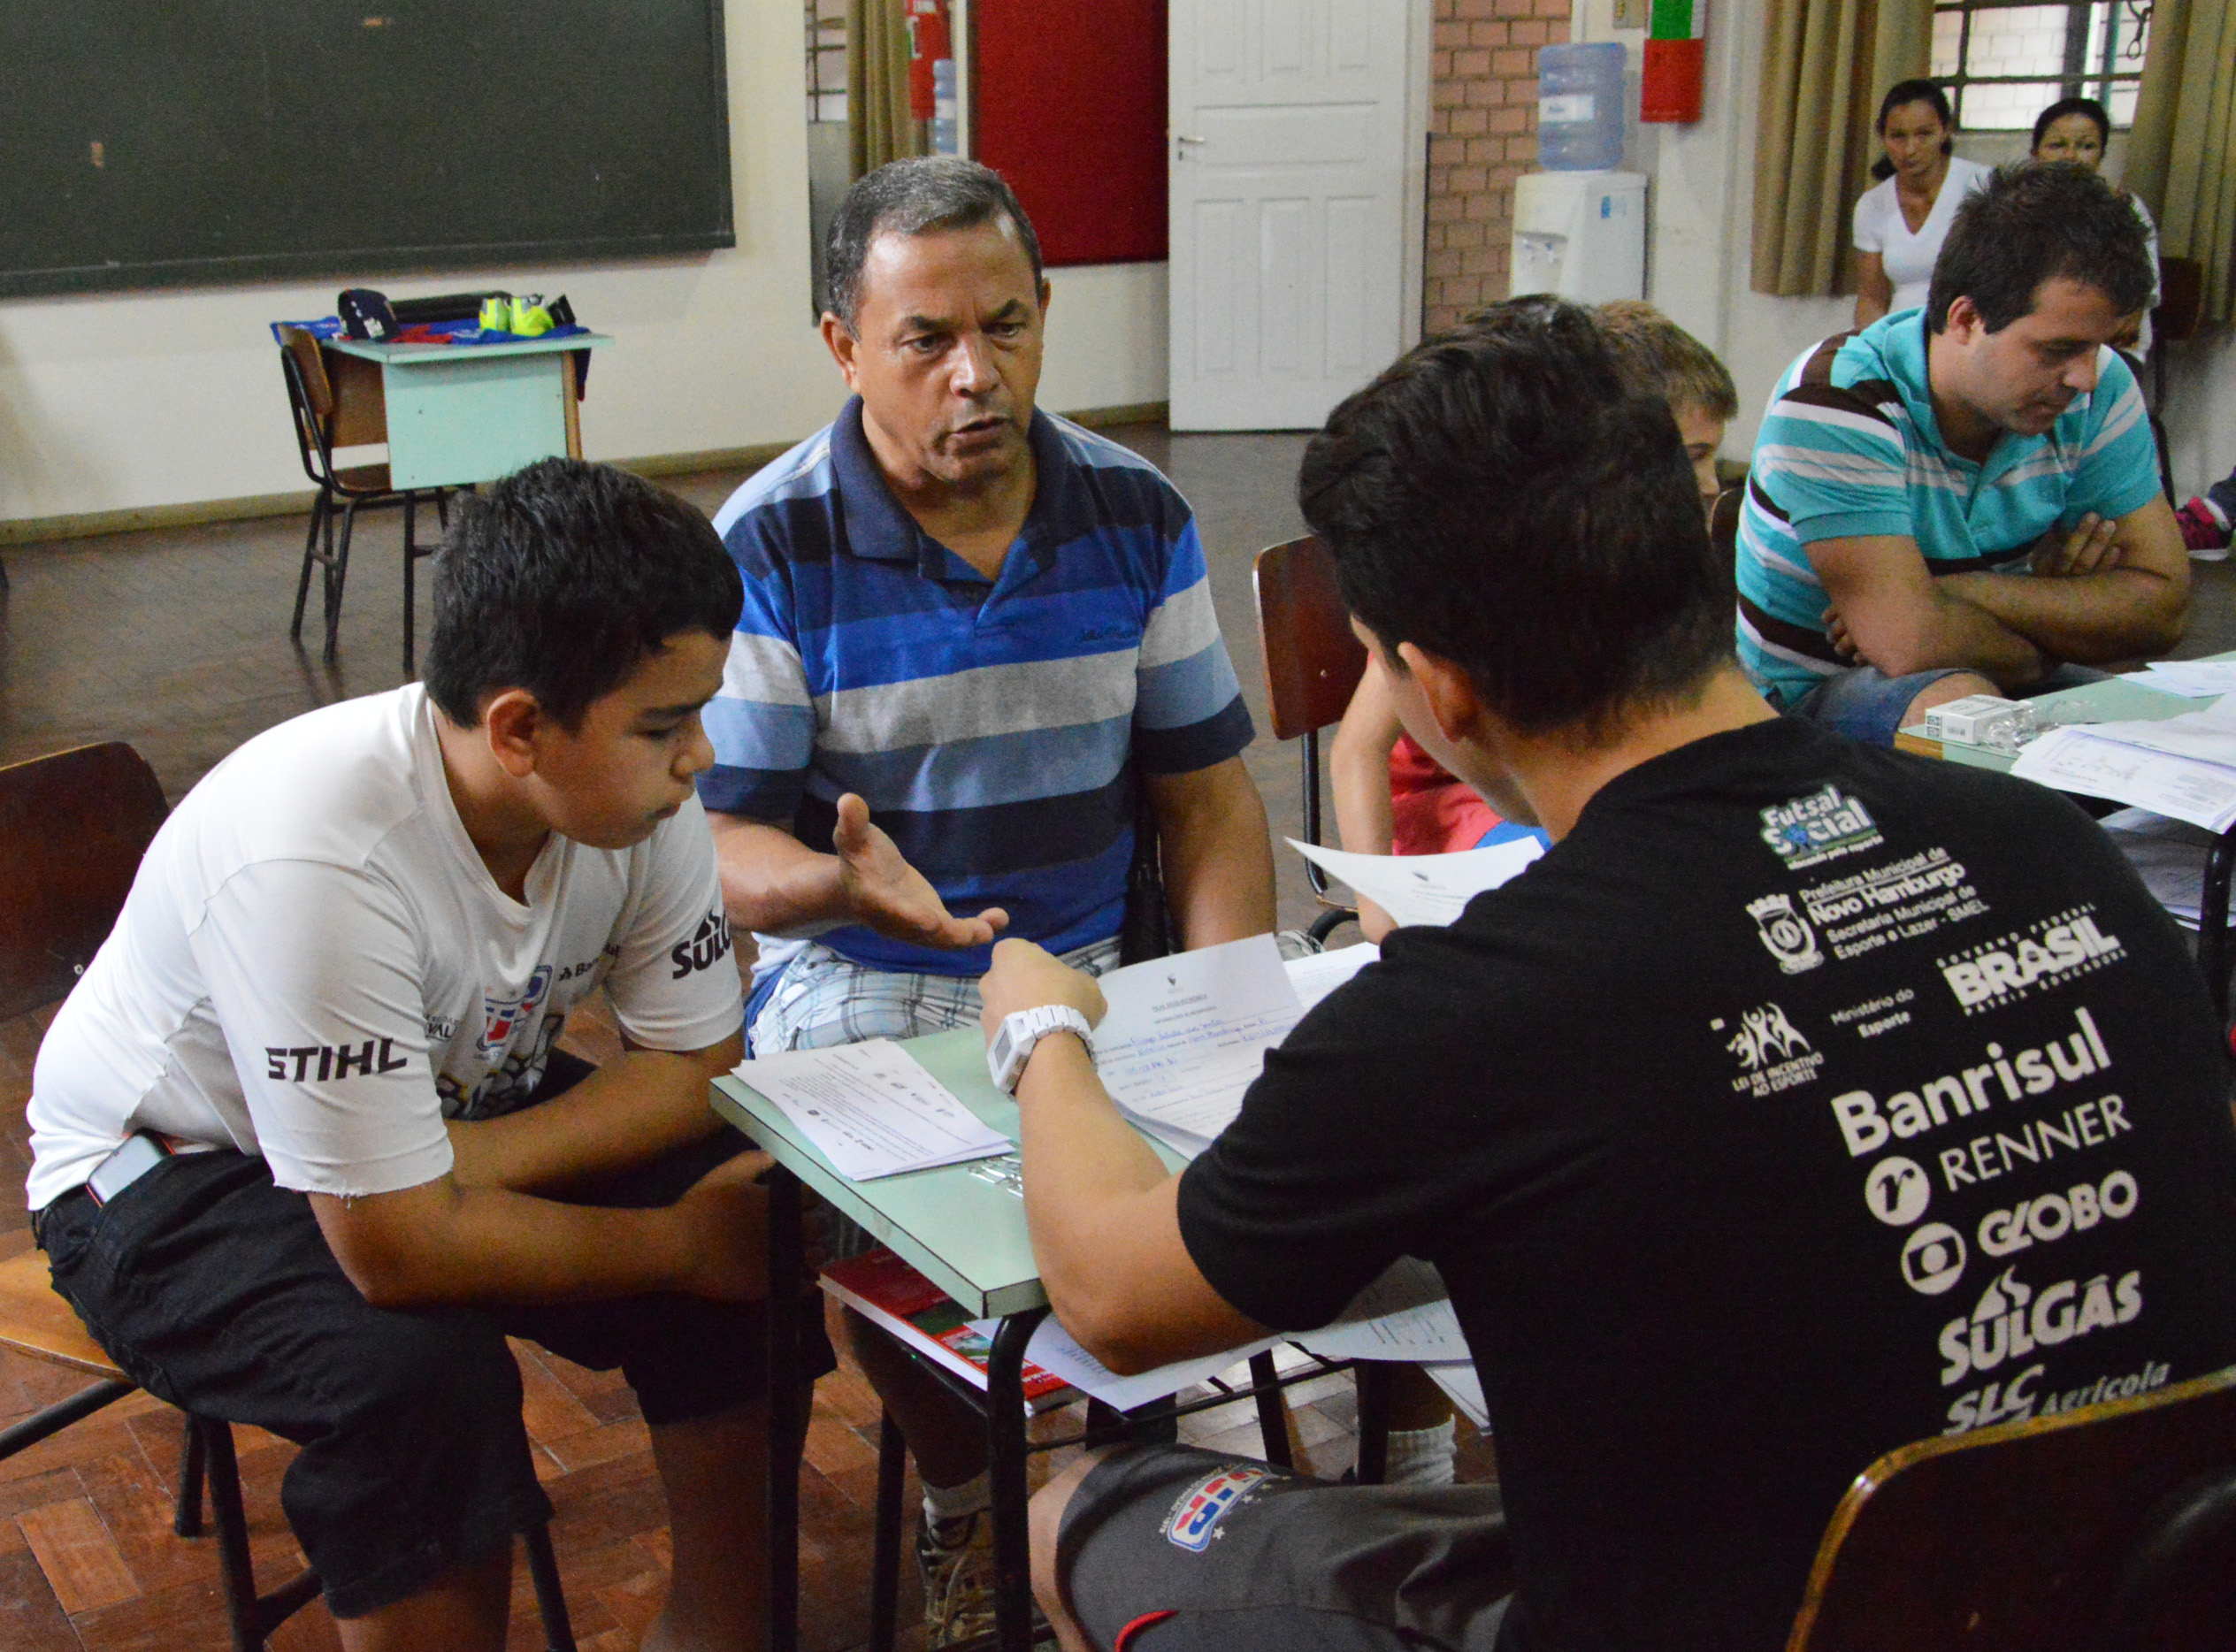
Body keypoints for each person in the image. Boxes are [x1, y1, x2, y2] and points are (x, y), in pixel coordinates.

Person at [986, 299, 2236, 1652]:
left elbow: (1113, 1297)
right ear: (1697, 551)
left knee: (1079, 1515)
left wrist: (1043, 1025)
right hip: (2096, 1594)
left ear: (1439, 690)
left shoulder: (1480, 1010)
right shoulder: (2054, 849)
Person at [27, 460, 785, 1652]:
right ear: (519, 728)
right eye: (662, 725)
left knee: (754, 1207)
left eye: (699, 711)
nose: (699, 754)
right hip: (167, 1169)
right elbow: (394, 1253)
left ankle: (719, 1631)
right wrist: (677, 1246)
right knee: (419, 1381)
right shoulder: (316, 850)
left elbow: (696, 1068)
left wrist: (454, 1170)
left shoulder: (635, 795)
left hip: (439, 1113)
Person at [698, 156, 1279, 1645]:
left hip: (1094, 966)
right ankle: (970, 1491)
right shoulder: (770, 542)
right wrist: (841, 884)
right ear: (843, 345)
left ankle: (1113, 1503)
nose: (978, 373)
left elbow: (1207, 799)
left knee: (1241, 1171)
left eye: (1006, 326)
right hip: (860, 974)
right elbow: (719, 844)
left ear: (1044, 313)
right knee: (905, 1239)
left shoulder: (1133, 510)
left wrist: (1230, 1006)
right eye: (927, 340)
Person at [1736, 161, 2187, 747]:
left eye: (2101, 345)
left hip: (1985, 668)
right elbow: (1910, 645)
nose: (2085, 377)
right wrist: (2071, 623)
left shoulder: (2098, 387)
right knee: (1964, 715)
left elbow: (2164, 607)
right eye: (2058, 349)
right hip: (1812, 698)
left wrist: (1960, 590)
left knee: (2170, 723)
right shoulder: (1836, 397)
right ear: (1966, 320)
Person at [1329, 301, 1736, 942]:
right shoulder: (1494, 585)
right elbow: (1357, 750)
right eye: (1690, 456)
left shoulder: (1641, 567)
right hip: (1458, 806)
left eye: (1714, 457)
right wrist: (1377, 911)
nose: (1710, 485)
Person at [1852, 80, 1992, 327]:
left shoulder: (1982, 185)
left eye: (1923, 134)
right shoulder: (1872, 205)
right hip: (1901, 335)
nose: (1910, 150)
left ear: (1945, 131)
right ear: (1883, 137)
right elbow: (1872, 299)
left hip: (1969, 329)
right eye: (1898, 136)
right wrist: (1870, 347)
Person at [2029, 96, 2160, 357]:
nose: (2070, 156)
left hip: (2106, 345)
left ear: (2101, 155)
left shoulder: (2126, 207)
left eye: (2086, 146)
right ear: (2035, 154)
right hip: (2032, 341)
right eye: (2057, 145)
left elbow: (2142, 292)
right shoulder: (2015, 208)